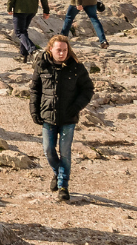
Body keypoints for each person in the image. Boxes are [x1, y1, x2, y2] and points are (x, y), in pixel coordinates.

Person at [30, 35, 94, 201]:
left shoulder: (77, 68)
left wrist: (76, 107)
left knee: (65, 152)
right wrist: (34, 111)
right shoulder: (41, 65)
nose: (62, 53)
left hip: (68, 118)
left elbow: (88, 89)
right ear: (51, 49)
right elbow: (35, 90)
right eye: (59, 50)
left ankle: (63, 185)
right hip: (48, 117)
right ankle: (57, 173)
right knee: (48, 150)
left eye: (65, 50)